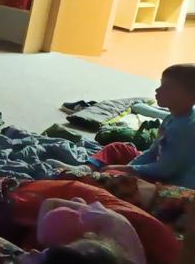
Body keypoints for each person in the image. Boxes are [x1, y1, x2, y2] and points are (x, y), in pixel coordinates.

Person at [66, 64, 195, 189]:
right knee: (117, 148)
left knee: (116, 177)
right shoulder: (171, 117)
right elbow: (152, 152)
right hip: (158, 166)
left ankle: (86, 181)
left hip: (171, 184)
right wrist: (129, 167)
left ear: (191, 96)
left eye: (167, 87)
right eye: (161, 84)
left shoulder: (185, 129)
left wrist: (127, 170)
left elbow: (164, 170)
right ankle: (86, 169)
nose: (157, 90)